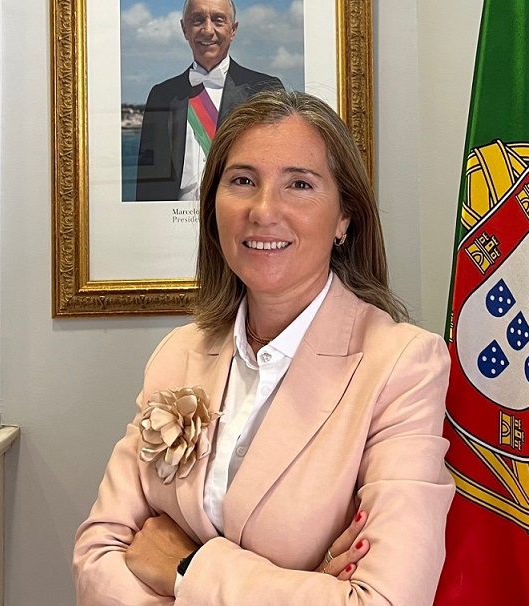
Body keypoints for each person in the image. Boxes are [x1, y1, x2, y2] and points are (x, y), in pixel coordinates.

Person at [74, 89, 455, 605]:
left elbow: (385, 600)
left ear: (344, 217)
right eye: (242, 181)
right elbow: (97, 555)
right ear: (213, 206)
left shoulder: (403, 367)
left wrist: (185, 570)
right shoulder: (177, 354)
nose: (263, 210)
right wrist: (309, 585)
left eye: (299, 183)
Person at [134, 0, 282, 201]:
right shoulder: (161, 95)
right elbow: (148, 182)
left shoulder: (265, 90)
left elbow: (278, 169)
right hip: (171, 218)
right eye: (197, 20)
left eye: (218, 20)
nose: (207, 30)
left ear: (233, 29)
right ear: (184, 29)